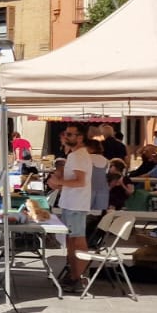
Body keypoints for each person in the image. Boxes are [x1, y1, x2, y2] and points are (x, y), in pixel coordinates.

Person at [49, 123, 92, 293]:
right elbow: (74, 181)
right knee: (71, 242)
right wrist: (60, 184)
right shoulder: (75, 155)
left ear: (80, 137)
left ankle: (78, 277)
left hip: (75, 205)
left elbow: (80, 181)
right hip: (71, 203)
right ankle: (74, 275)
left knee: (76, 242)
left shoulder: (79, 156)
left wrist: (59, 182)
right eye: (65, 134)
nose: (66, 137)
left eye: (70, 134)